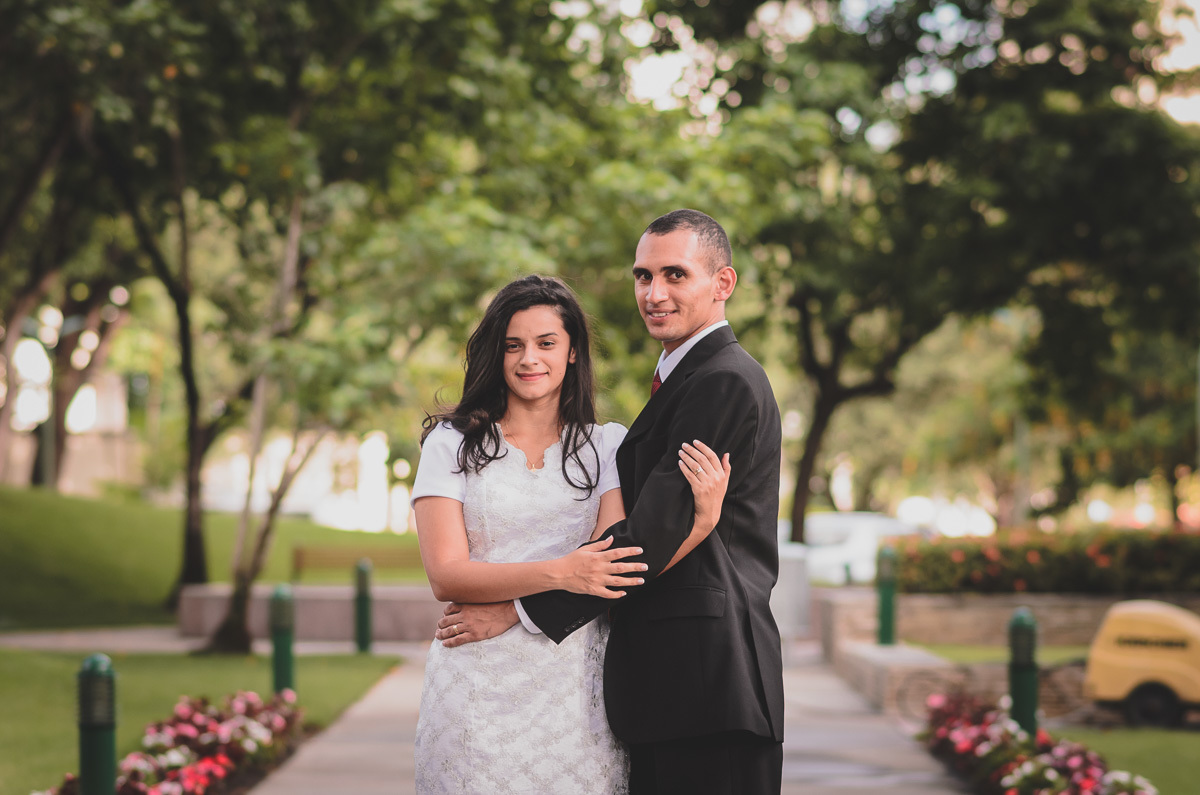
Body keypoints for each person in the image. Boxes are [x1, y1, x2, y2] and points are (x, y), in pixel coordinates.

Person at [438, 210, 786, 794]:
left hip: (708, 684)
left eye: (675, 275)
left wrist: (518, 611)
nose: (655, 293)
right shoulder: (685, 378)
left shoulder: (722, 380)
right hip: (672, 689)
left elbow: (651, 533)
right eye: (643, 276)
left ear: (723, 283)